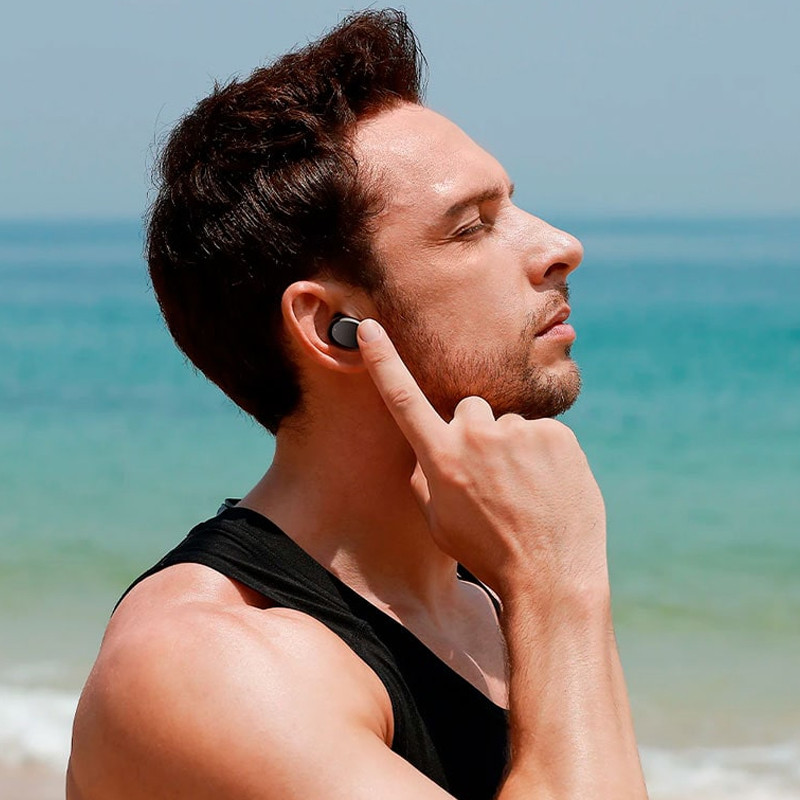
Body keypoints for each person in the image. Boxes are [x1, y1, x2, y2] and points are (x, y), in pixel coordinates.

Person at [67, 9, 648, 800]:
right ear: (332, 325)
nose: (559, 246)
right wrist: (560, 580)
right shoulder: (207, 662)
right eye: (472, 227)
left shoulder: (483, 606)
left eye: (513, 206)